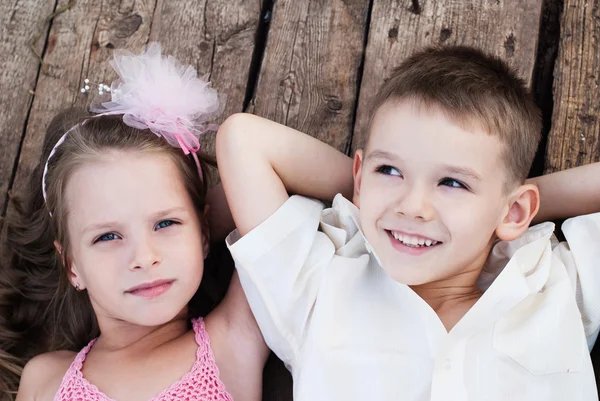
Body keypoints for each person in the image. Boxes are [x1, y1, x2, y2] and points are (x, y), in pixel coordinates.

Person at [216, 46, 600, 400]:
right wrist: (370, 194)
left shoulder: (557, 284)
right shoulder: (317, 290)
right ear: (361, 178)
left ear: (516, 212)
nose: (413, 206)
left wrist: (509, 205)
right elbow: (243, 139)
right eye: (390, 170)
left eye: (452, 182)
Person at [0, 43, 267, 401]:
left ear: (202, 229)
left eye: (165, 224)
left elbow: (260, 170)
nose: (144, 257)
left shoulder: (235, 338)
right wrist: (186, 229)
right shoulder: (45, 379)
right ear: (71, 265)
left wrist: (199, 231)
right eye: (108, 235)